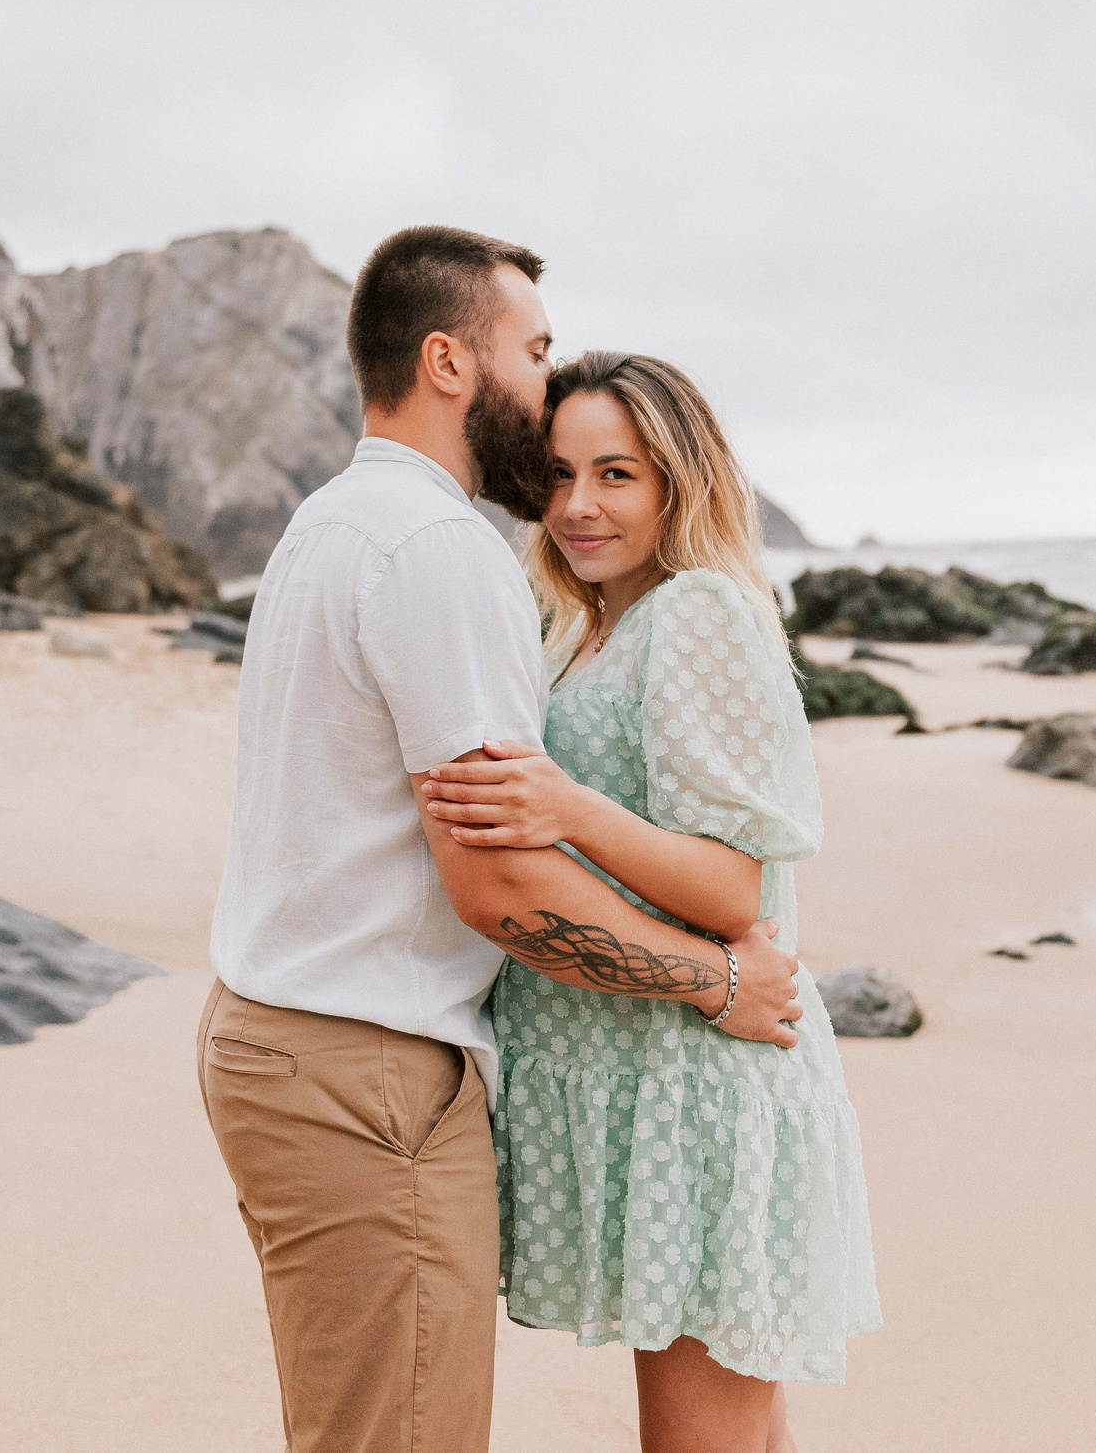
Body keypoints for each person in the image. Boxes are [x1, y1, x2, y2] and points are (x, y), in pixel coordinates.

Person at [200, 228, 803, 1453]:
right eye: (530, 351)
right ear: (448, 362)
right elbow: (498, 884)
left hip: (278, 1042)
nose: (546, 377)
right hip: (361, 1071)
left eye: (617, 473)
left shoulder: (329, 523)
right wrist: (718, 980)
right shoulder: (435, 550)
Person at [418, 351, 881, 1453]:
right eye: (560, 474)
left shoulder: (695, 614)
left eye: (616, 474)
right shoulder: (586, 629)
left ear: (678, 482)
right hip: (649, 1083)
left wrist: (565, 807)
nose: (578, 505)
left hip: (696, 1092)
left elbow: (735, 886)